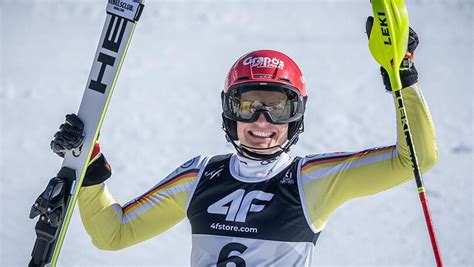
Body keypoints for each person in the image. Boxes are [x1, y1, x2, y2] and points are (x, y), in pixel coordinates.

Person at [50, 21, 438, 266]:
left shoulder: (312, 180)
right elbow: (113, 234)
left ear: (297, 115)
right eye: (247, 106)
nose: (262, 122)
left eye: (278, 108)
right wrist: (90, 167)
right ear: (228, 111)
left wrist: (402, 79)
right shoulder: (201, 176)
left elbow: (415, 159)